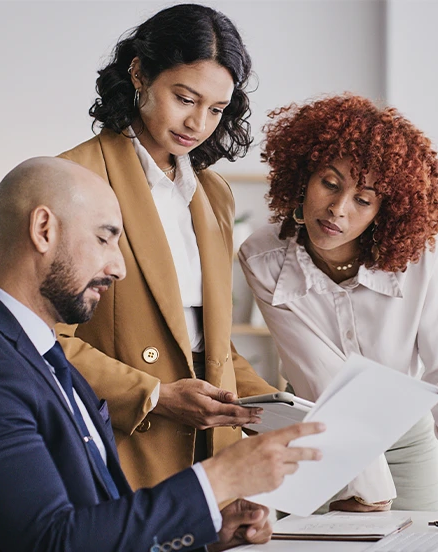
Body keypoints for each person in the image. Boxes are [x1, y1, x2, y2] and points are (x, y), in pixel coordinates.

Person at [0, 157, 324, 551]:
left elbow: (95, 523)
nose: (119, 268)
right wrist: (218, 479)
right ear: (43, 229)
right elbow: (54, 542)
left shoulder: (37, 352)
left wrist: (207, 530)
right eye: (105, 239)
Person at [238, 95, 438, 517]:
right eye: (330, 183)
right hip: (317, 432)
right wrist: (365, 486)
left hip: (407, 437)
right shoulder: (263, 256)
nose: (338, 209)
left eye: (363, 199)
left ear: (385, 210)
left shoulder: (420, 255)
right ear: (304, 175)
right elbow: (317, 373)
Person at [56, 4, 277, 490]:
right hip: (122, 441)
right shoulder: (76, 180)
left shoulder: (213, 193)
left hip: (211, 447)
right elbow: (45, 339)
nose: (198, 123)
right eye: (184, 98)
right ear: (139, 73)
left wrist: (283, 411)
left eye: (216, 109)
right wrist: (154, 394)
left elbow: (209, 344)